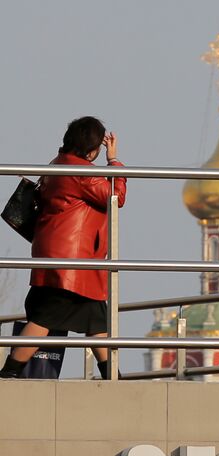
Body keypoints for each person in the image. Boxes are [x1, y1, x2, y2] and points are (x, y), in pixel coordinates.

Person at [0, 116, 126, 379]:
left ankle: (113, 377)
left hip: (59, 254)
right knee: (45, 316)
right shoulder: (82, 173)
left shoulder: (58, 163)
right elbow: (115, 196)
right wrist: (113, 160)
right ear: (92, 148)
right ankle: (8, 373)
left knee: (96, 319)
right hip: (72, 263)